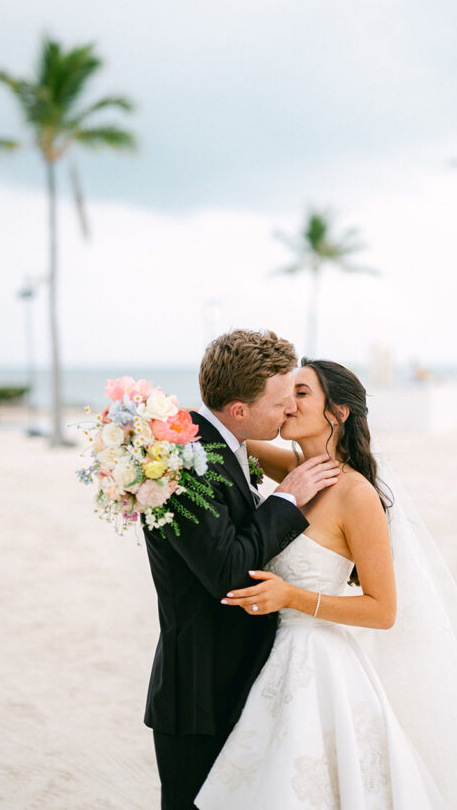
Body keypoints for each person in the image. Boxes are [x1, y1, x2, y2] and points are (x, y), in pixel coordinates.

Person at [196, 359, 457, 810]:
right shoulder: (298, 472)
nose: (287, 403)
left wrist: (291, 596)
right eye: (285, 394)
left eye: (301, 393)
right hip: (275, 658)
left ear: (338, 412)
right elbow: (224, 434)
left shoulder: (355, 493)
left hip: (322, 664)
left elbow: (382, 610)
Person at [143, 330, 341, 810]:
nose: (289, 410)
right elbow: (228, 573)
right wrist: (287, 497)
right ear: (238, 410)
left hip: (244, 680)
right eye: (280, 403)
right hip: (201, 694)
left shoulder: (224, 444)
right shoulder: (185, 458)